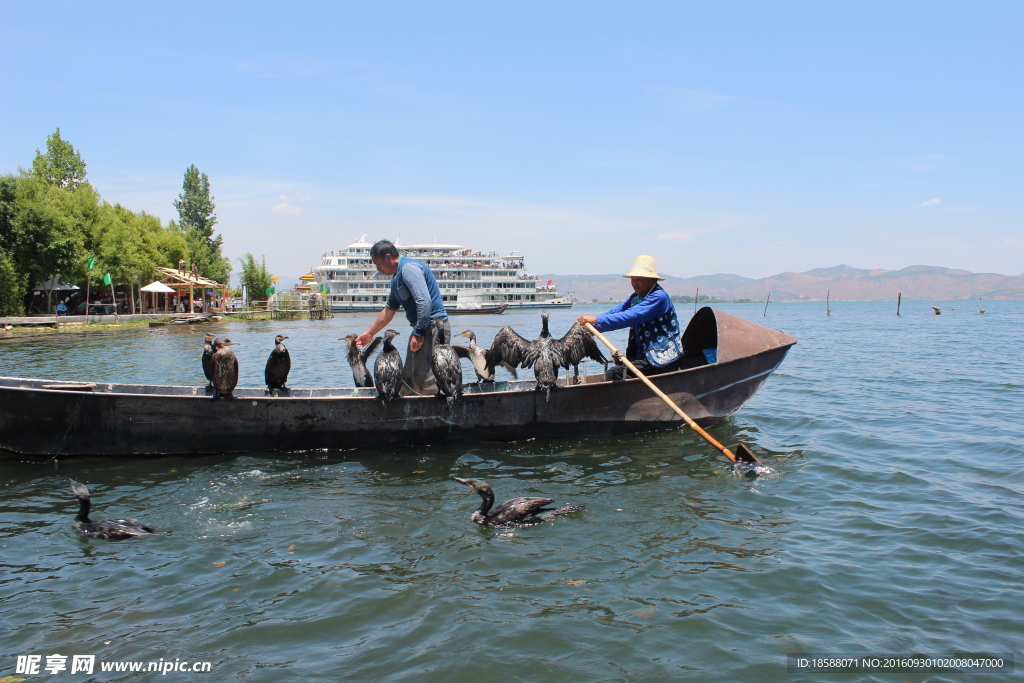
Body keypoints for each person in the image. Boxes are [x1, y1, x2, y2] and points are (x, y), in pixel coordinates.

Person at [355, 239, 449, 395]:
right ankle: (405, 412)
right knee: (408, 376)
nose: (377, 268)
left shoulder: (408, 269)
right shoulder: (396, 279)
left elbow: (424, 302)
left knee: (425, 377)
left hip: (433, 328)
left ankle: (431, 414)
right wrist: (370, 333)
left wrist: (419, 333)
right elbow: (388, 311)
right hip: (421, 328)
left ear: (388, 257)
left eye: (378, 264)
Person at [577, 255, 683, 380]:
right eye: (632, 279)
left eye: (639, 279)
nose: (634, 283)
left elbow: (631, 316)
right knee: (620, 368)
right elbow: (616, 312)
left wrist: (596, 320)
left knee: (615, 373)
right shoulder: (636, 298)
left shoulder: (659, 297)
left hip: (661, 356)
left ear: (652, 280)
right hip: (642, 357)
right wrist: (590, 326)